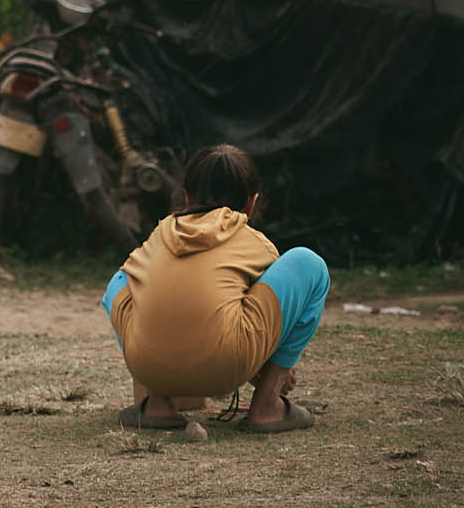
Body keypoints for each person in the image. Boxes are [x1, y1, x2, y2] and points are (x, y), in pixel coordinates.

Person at [102, 143, 331, 434]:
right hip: (227, 368)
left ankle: (157, 403)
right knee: (308, 263)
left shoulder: (159, 234)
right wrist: (268, 367)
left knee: (122, 280)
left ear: (186, 197)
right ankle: (267, 404)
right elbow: (273, 315)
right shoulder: (252, 240)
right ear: (251, 203)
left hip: (147, 367)